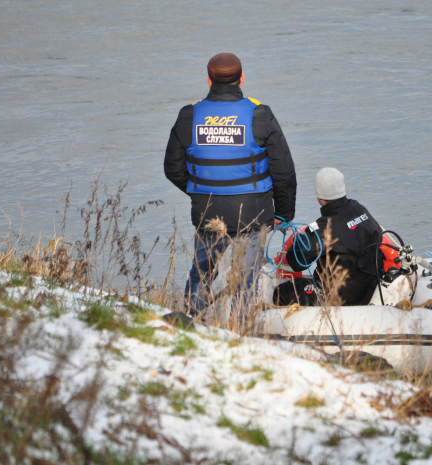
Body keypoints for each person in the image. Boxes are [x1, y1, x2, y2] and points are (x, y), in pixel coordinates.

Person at [164, 53, 297, 316]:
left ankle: (190, 324)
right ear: (242, 78)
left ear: (209, 80)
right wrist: (283, 213)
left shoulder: (189, 114)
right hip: (253, 213)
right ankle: (243, 332)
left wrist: (201, 191)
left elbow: (173, 168)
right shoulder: (259, 113)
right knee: (246, 281)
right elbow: (283, 169)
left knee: (202, 273)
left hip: (208, 212)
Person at [273, 167, 383, 307]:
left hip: (339, 296)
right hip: (371, 288)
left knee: (282, 292)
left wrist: (301, 239)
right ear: (342, 189)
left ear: (320, 197)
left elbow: (295, 261)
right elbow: (378, 234)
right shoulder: (360, 209)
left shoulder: (322, 228)